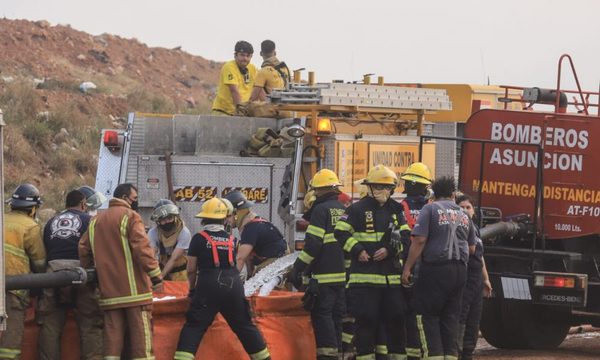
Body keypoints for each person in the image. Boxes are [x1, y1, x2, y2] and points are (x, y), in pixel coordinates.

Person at [174, 198, 270, 360]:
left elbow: (191, 269)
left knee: (194, 326)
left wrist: (192, 290)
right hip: (233, 285)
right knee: (245, 326)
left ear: (204, 219)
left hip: (208, 285)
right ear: (224, 218)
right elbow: (240, 263)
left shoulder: (198, 239)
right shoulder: (234, 241)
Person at [79, 183, 162, 359]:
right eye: (134, 198)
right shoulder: (131, 216)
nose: (135, 202)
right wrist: (156, 276)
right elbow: (142, 248)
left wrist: (92, 277)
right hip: (135, 294)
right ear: (124, 198)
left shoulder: (95, 221)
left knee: (112, 343)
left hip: (109, 294)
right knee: (142, 342)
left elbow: (83, 249)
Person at [335, 165, 410, 360]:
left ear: (392, 189)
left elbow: (406, 237)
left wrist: (390, 249)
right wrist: (357, 250)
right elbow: (340, 232)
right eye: (377, 186)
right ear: (369, 187)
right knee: (365, 324)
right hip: (365, 282)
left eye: (386, 187)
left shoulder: (396, 209)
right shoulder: (356, 209)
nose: (382, 191)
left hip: (391, 281)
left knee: (395, 323)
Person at [401, 176, 476, 359]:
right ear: (452, 194)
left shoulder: (430, 209)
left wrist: (407, 268)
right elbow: (472, 248)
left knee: (428, 316)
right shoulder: (464, 214)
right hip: (459, 272)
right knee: (450, 318)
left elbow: (419, 240)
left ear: (434, 194)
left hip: (435, 270)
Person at [37, 189, 103, 360]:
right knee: (91, 325)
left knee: (50, 326)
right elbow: (96, 250)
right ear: (83, 204)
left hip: (52, 274)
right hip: (81, 273)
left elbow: (45, 250)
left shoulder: (50, 222)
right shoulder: (89, 220)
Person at [289, 169, 347, 360]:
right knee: (337, 319)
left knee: (323, 317)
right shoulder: (342, 209)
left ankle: (327, 356)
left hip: (323, 278)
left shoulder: (321, 211)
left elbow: (313, 244)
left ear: (320, 190)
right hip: (342, 277)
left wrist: (298, 268)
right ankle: (337, 354)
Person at [0, 184, 46, 360]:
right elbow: (40, 262)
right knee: (10, 340)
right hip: (13, 289)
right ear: (33, 208)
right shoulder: (31, 227)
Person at [399, 162, 432, 360]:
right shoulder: (432, 208)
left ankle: (411, 351)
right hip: (428, 265)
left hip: (407, 264)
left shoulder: (400, 207)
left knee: (408, 312)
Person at [455, 193, 492, 360]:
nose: (465, 210)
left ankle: (468, 353)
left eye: (468, 207)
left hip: (477, 279)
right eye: (461, 207)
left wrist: (486, 279)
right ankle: (457, 351)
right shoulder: (456, 227)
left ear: (473, 211)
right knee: (461, 315)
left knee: (474, 318)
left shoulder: (475, 228)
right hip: (464, 277)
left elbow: (479, 255)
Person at [224, 190, 287, 277]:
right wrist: (249, 277)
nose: (225, 220)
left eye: (228, 215)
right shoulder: (252, 225)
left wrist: (229, 281)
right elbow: (248, 258)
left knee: (260, 279)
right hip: (278, 260)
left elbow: (240, 259)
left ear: (236, 213)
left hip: (279, 262)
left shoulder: (251, 228)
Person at [148, 199, 192, 281]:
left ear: (175, 217)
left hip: (180, 272)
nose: (167, 222)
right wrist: (152, 275)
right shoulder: (153, 233)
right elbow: (151, 255)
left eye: (169, 218)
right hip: (162, 267)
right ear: (158, 221)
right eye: (163, 220)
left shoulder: (184, 232)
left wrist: (160, 277)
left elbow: (174, 258)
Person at [212, 40, 257, 116]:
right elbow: (234, 91)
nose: (245, 58)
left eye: (248, 56)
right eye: (242, 55)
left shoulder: (252, 68)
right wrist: (240, 111)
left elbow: (258, 88)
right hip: (224, 112)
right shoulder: (229, 67)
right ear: (235, 55)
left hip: (242, 112)